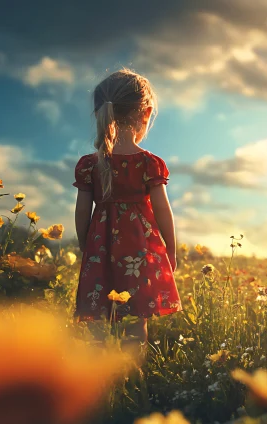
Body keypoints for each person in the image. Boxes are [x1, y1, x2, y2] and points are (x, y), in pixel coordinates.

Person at [73, 69, 180, 344]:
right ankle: (131, 379)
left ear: (100, 113)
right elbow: (162, 211)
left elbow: (82, 212)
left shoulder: (89, 165)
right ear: (145, 113)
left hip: (101, 247)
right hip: (139, 253)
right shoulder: (149, 164)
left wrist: (87, 248)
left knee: (97, 322)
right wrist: (171, 250)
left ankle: (99, 376)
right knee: (136, 322)